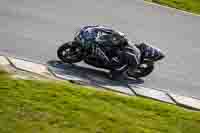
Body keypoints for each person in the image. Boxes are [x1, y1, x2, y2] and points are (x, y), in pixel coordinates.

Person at [73, 25, 141, 79]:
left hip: (124, 63)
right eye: (114, 38)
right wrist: (96, 28)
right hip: (118, 54)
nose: (114, 40)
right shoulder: (118, 37)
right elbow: (107, 30)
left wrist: (130, 71)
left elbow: (135, 62)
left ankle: (121, 74)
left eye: (116, 40)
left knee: (113, 76)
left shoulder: (127, 52)